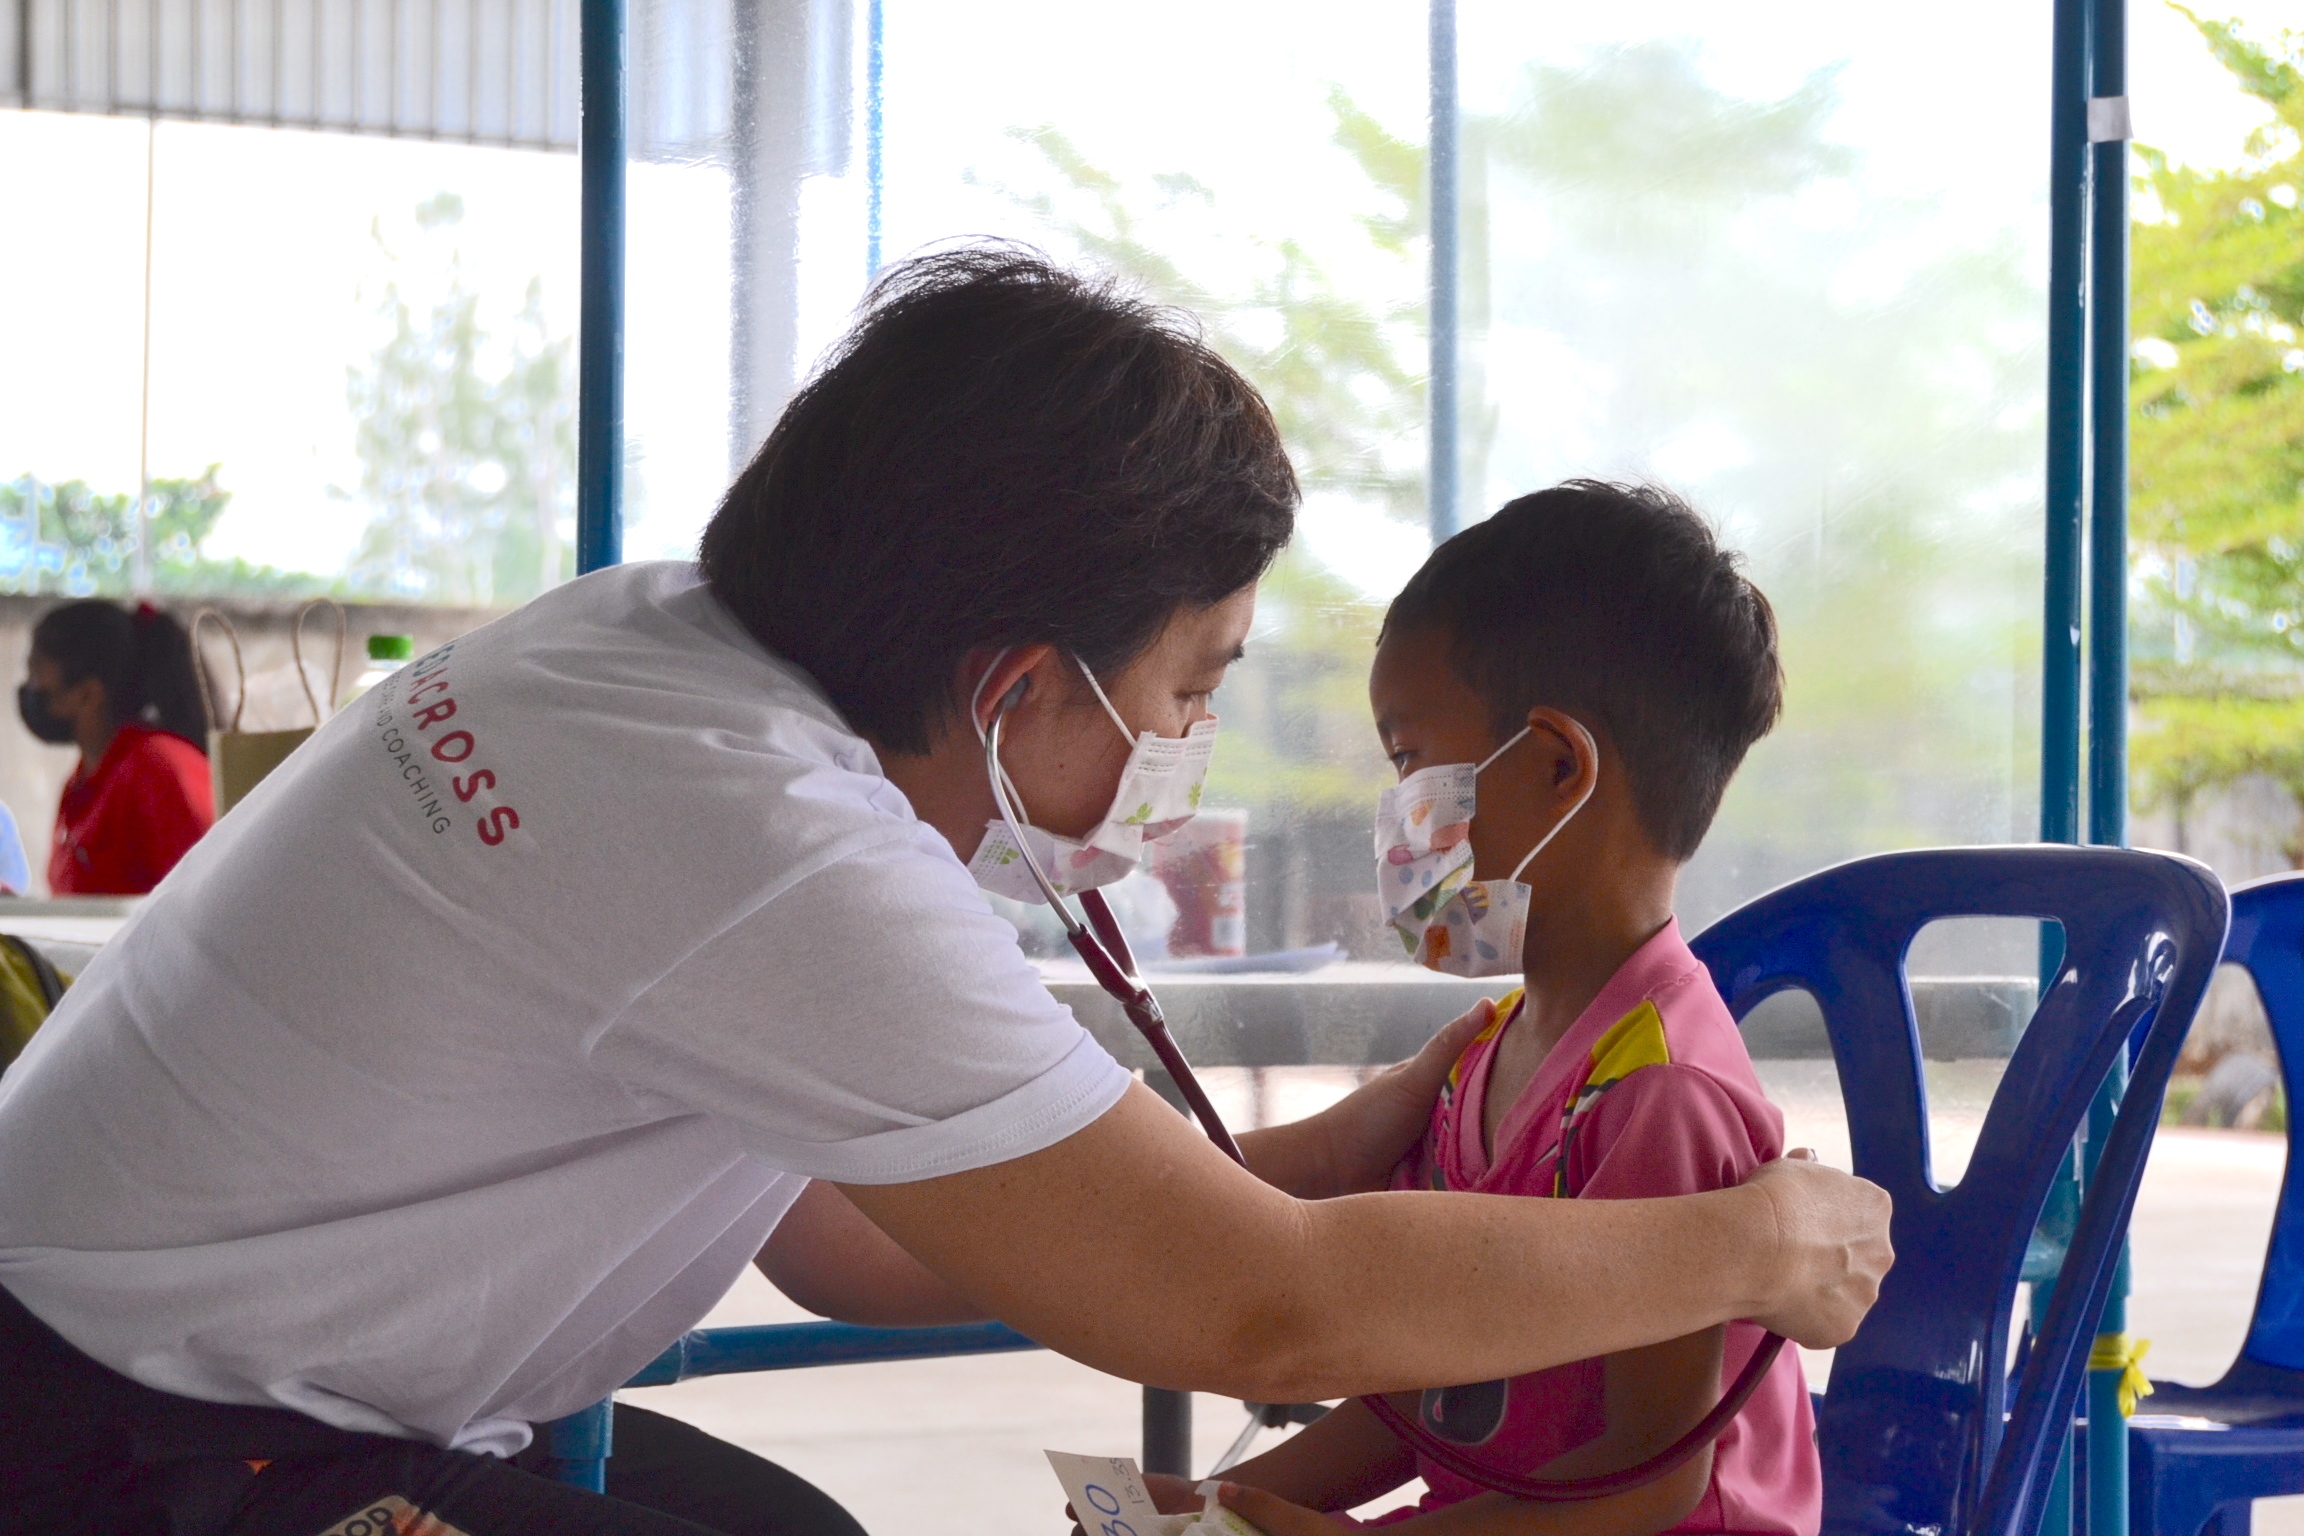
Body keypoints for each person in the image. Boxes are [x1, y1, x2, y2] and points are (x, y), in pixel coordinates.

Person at [0, 250, 1891, 1536]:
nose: (1181, 746)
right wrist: (1757, 1243)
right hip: (138, 1448)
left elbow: (862, 1237)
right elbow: (1258, 1318)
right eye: (1184, 685)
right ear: (1015, 688)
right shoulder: (765, 839)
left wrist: (1319, 1166)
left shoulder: (643, 657)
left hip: (125, 1355)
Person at [1174, 484, 1818, 1536]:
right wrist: (1222, 1511)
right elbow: (1427, 1400)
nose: (1397, 813)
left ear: (1559, 765)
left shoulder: (1659, 1093)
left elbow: (1652, 1487)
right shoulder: (1490, 1055)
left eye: (1409, 759)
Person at [16, 598, 214, 895]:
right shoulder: (86, 780)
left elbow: (206, 894)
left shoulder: (159, 768)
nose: (29, 688)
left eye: (36, 673)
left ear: (88, 694)